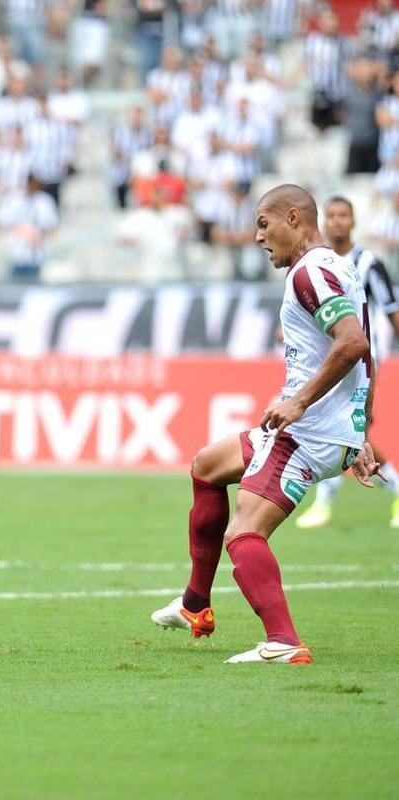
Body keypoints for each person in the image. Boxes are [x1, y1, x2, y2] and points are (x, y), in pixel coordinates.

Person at [151, 184, 380, 664]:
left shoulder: (310, 272)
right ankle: (196, 605)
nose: (258, 237)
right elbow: (366, 351)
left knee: (243, 534)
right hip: (327, 425)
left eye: (263, 224)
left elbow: (353, 343)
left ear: (293, 218)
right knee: (207, 466)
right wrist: (360, 431)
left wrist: (298, 403)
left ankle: (283, 642)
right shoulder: (339, 267)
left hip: (307, 430)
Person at [295, 196, 399, 529]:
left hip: (363, 361)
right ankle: (390, 488)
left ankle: (325, 503)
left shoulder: (369, 263)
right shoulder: (315, 263)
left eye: (344, 216)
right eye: (332, 215)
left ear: (353, 221)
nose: (338, 221)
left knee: (352, 432)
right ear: (324, 221)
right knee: (345, 434)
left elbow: (392, 312)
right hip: (325, 363)